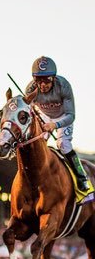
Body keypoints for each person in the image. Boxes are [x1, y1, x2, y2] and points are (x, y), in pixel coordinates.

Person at [25, 56, 90, 192]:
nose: (43, 85)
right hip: (44, 115)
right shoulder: (30, 89)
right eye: (38, 80)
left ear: (54, 77)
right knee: (37, 142)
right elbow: (27, 112)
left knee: (63, 145)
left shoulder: (64, 85)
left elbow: (71, 116)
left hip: (63, 116)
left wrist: (55, 125)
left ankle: (81, 176)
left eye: (47, 80)